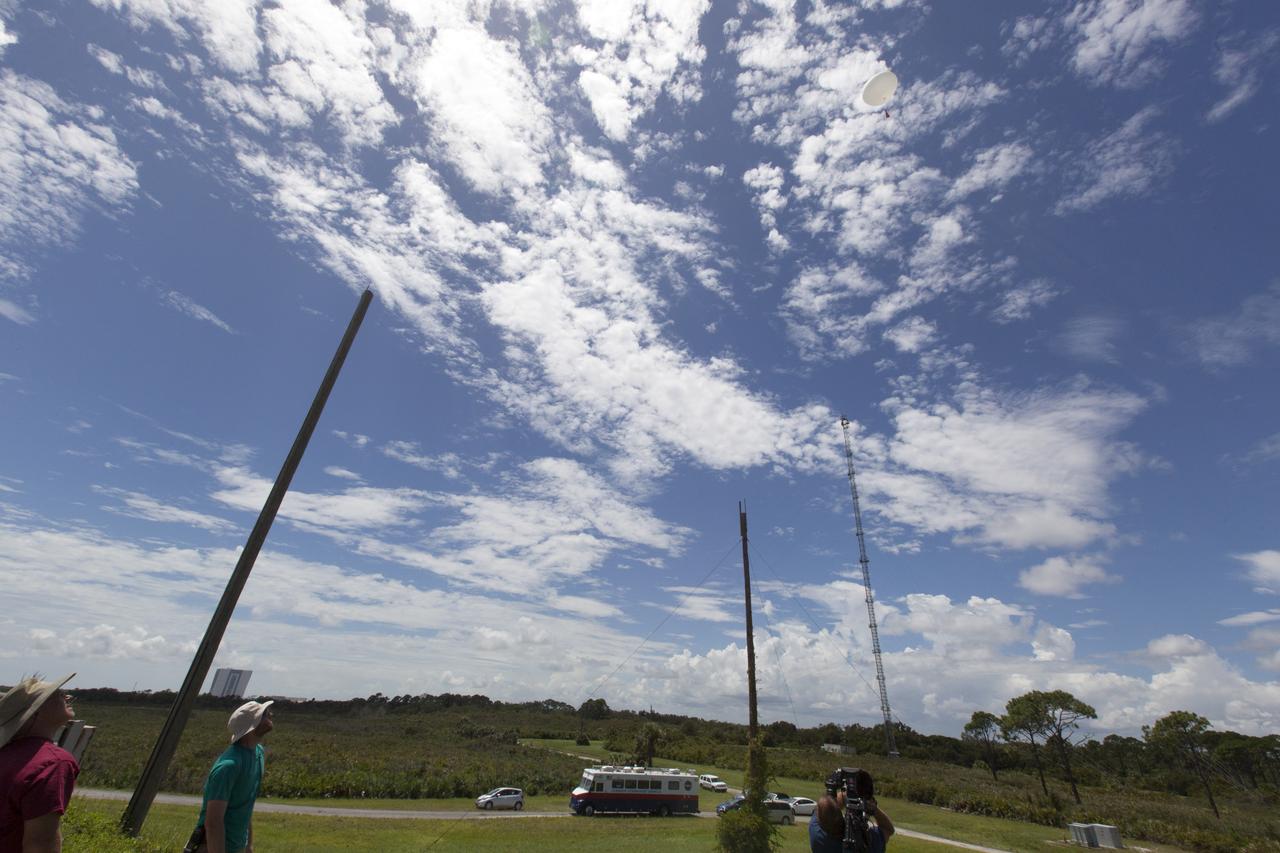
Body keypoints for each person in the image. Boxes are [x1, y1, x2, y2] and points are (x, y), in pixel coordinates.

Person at [0, 673, 78, 853]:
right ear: (35, 711)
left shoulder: (6, 754)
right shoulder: (53, 762)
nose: (67, 697)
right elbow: (41, 843)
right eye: (58, 694)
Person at [186, 700, 274, 853]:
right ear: (251, 726)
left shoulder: (258, 754)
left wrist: (248, 846)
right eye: (264, 715)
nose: (271, 715)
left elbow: (245, 804)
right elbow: (213, 823)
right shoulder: (229, 766)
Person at [809, 768, 895, 853]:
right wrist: (871, 807)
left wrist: (832, 790)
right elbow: (888, 829)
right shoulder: (866, 842)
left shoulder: (817, 835)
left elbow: (825, 809)